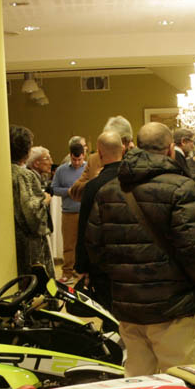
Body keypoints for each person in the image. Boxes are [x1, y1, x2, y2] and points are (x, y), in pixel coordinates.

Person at [87, 122, 195, 389]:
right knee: (176, 379)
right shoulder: (181, 187)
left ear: (135, 148)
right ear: (170, 148)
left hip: (128, 303)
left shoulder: (109, 189)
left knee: (137, 377)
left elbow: (95, 250)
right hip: (173, 302)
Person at [74, 130, 124, 306]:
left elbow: (85, 227)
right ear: (123, 150)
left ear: (100, 153)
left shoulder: (94, 186)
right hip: (137, 261)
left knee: (109, 312)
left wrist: (81, 265)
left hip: (104, 262)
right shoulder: (136, 181)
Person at [10, 124, 55, 278]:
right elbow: (32, 213)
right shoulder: (24, 176)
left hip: (7, 240)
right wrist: (45, 201)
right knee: (39, 284)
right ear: (26, 151)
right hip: (28, 246)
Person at [69, 115, 133, 200]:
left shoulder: (136, 160)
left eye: (116, 141)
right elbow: (74, 191)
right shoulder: (94, 159)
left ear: (127, 142)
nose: (110, 145)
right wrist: (96, 181)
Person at [52, 141, 87, 280]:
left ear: (84, 156)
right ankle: (67, 272)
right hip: (69, 213)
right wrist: (68, 191)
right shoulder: (61, 170)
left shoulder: (89, 169)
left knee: (85, 244)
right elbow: (54, 189)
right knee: (69, 245)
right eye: (74, 159)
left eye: (80, 159)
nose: (77, 163)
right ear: (70, 156)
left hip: (85, 212)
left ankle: (83, 272)